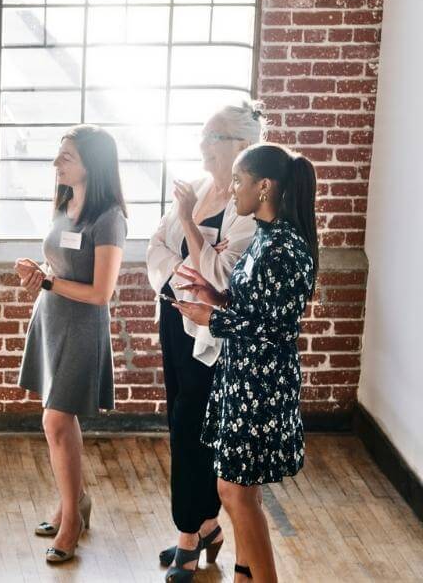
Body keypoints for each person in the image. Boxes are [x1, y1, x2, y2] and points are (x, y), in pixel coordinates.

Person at [173, 144, 318, 583]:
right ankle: (246, 576)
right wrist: (214, 295)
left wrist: (213, 318)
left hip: (260, 384)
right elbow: (255, 308)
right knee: (233, 490)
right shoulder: (264, 237)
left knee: (236, 492)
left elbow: (275, 330)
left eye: (239, 181)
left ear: (265, 186)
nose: (232, 189)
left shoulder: (284, 249)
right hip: (242, 378)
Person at [146, 102, 264, 581]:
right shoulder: (193, 188)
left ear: (241, 145)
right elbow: (156, 247)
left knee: (195, 425)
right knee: (179, 419)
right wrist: (189, 268)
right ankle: (206, 525)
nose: (201, 145)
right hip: (175, 317)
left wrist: (190, 230)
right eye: (203, 135)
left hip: (212, 334)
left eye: (212, 137)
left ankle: (188, 537)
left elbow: (223, 275)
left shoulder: (246, 208)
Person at [14, 125, 127, 564]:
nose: (57, 163)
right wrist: (39, 271)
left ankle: (72, 523)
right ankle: (71, 503)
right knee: (60, 420)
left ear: (91, 165)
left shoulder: (109, 217)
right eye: (59, 154)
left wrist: (48, 280)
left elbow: (101, 293)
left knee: (56, 422)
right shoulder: (65, 200)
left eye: (67, 157)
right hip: (52, 316)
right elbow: (61, 261)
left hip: (81, 325)